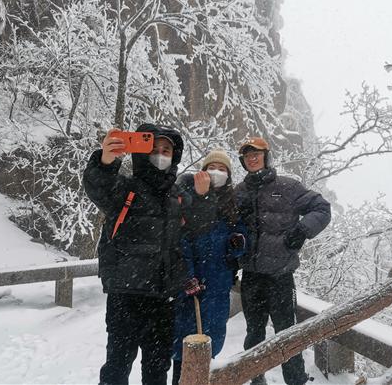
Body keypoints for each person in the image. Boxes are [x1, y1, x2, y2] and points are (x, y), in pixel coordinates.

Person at [83, 123, 214, 385]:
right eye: (154, 149)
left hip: (163, 299)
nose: (160, 155)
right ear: (142, 153)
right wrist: (105, 161)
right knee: (117, 367)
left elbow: (198, 228)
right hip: (125, 295)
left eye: (166, 150)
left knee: (157, 369)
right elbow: (98, 187)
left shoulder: (177, 196)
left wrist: (202, 198)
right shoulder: (125, 188)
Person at [235, 137, 331, 385]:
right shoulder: (239, 191)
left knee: (287, 334)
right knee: (254, 333)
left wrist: (302, 230)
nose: (252, 159)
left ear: (266, 157)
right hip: (251, 276)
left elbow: (322, 208)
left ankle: (295, 380)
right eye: (247, 156)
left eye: (256, 154)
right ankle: (255, 379)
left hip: (280, 276)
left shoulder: (288, 187)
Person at [171, 149, 246, 385]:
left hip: (218, 286)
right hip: (191, 286)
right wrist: (187, 276)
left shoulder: (232, 204)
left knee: (210, 343)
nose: (216, 173)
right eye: (211, 168)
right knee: (185, 346)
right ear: (202, 172)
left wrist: (238, 243)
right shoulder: (187, 197)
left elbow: (240, 238)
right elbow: (180, 240)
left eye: (222, 169)